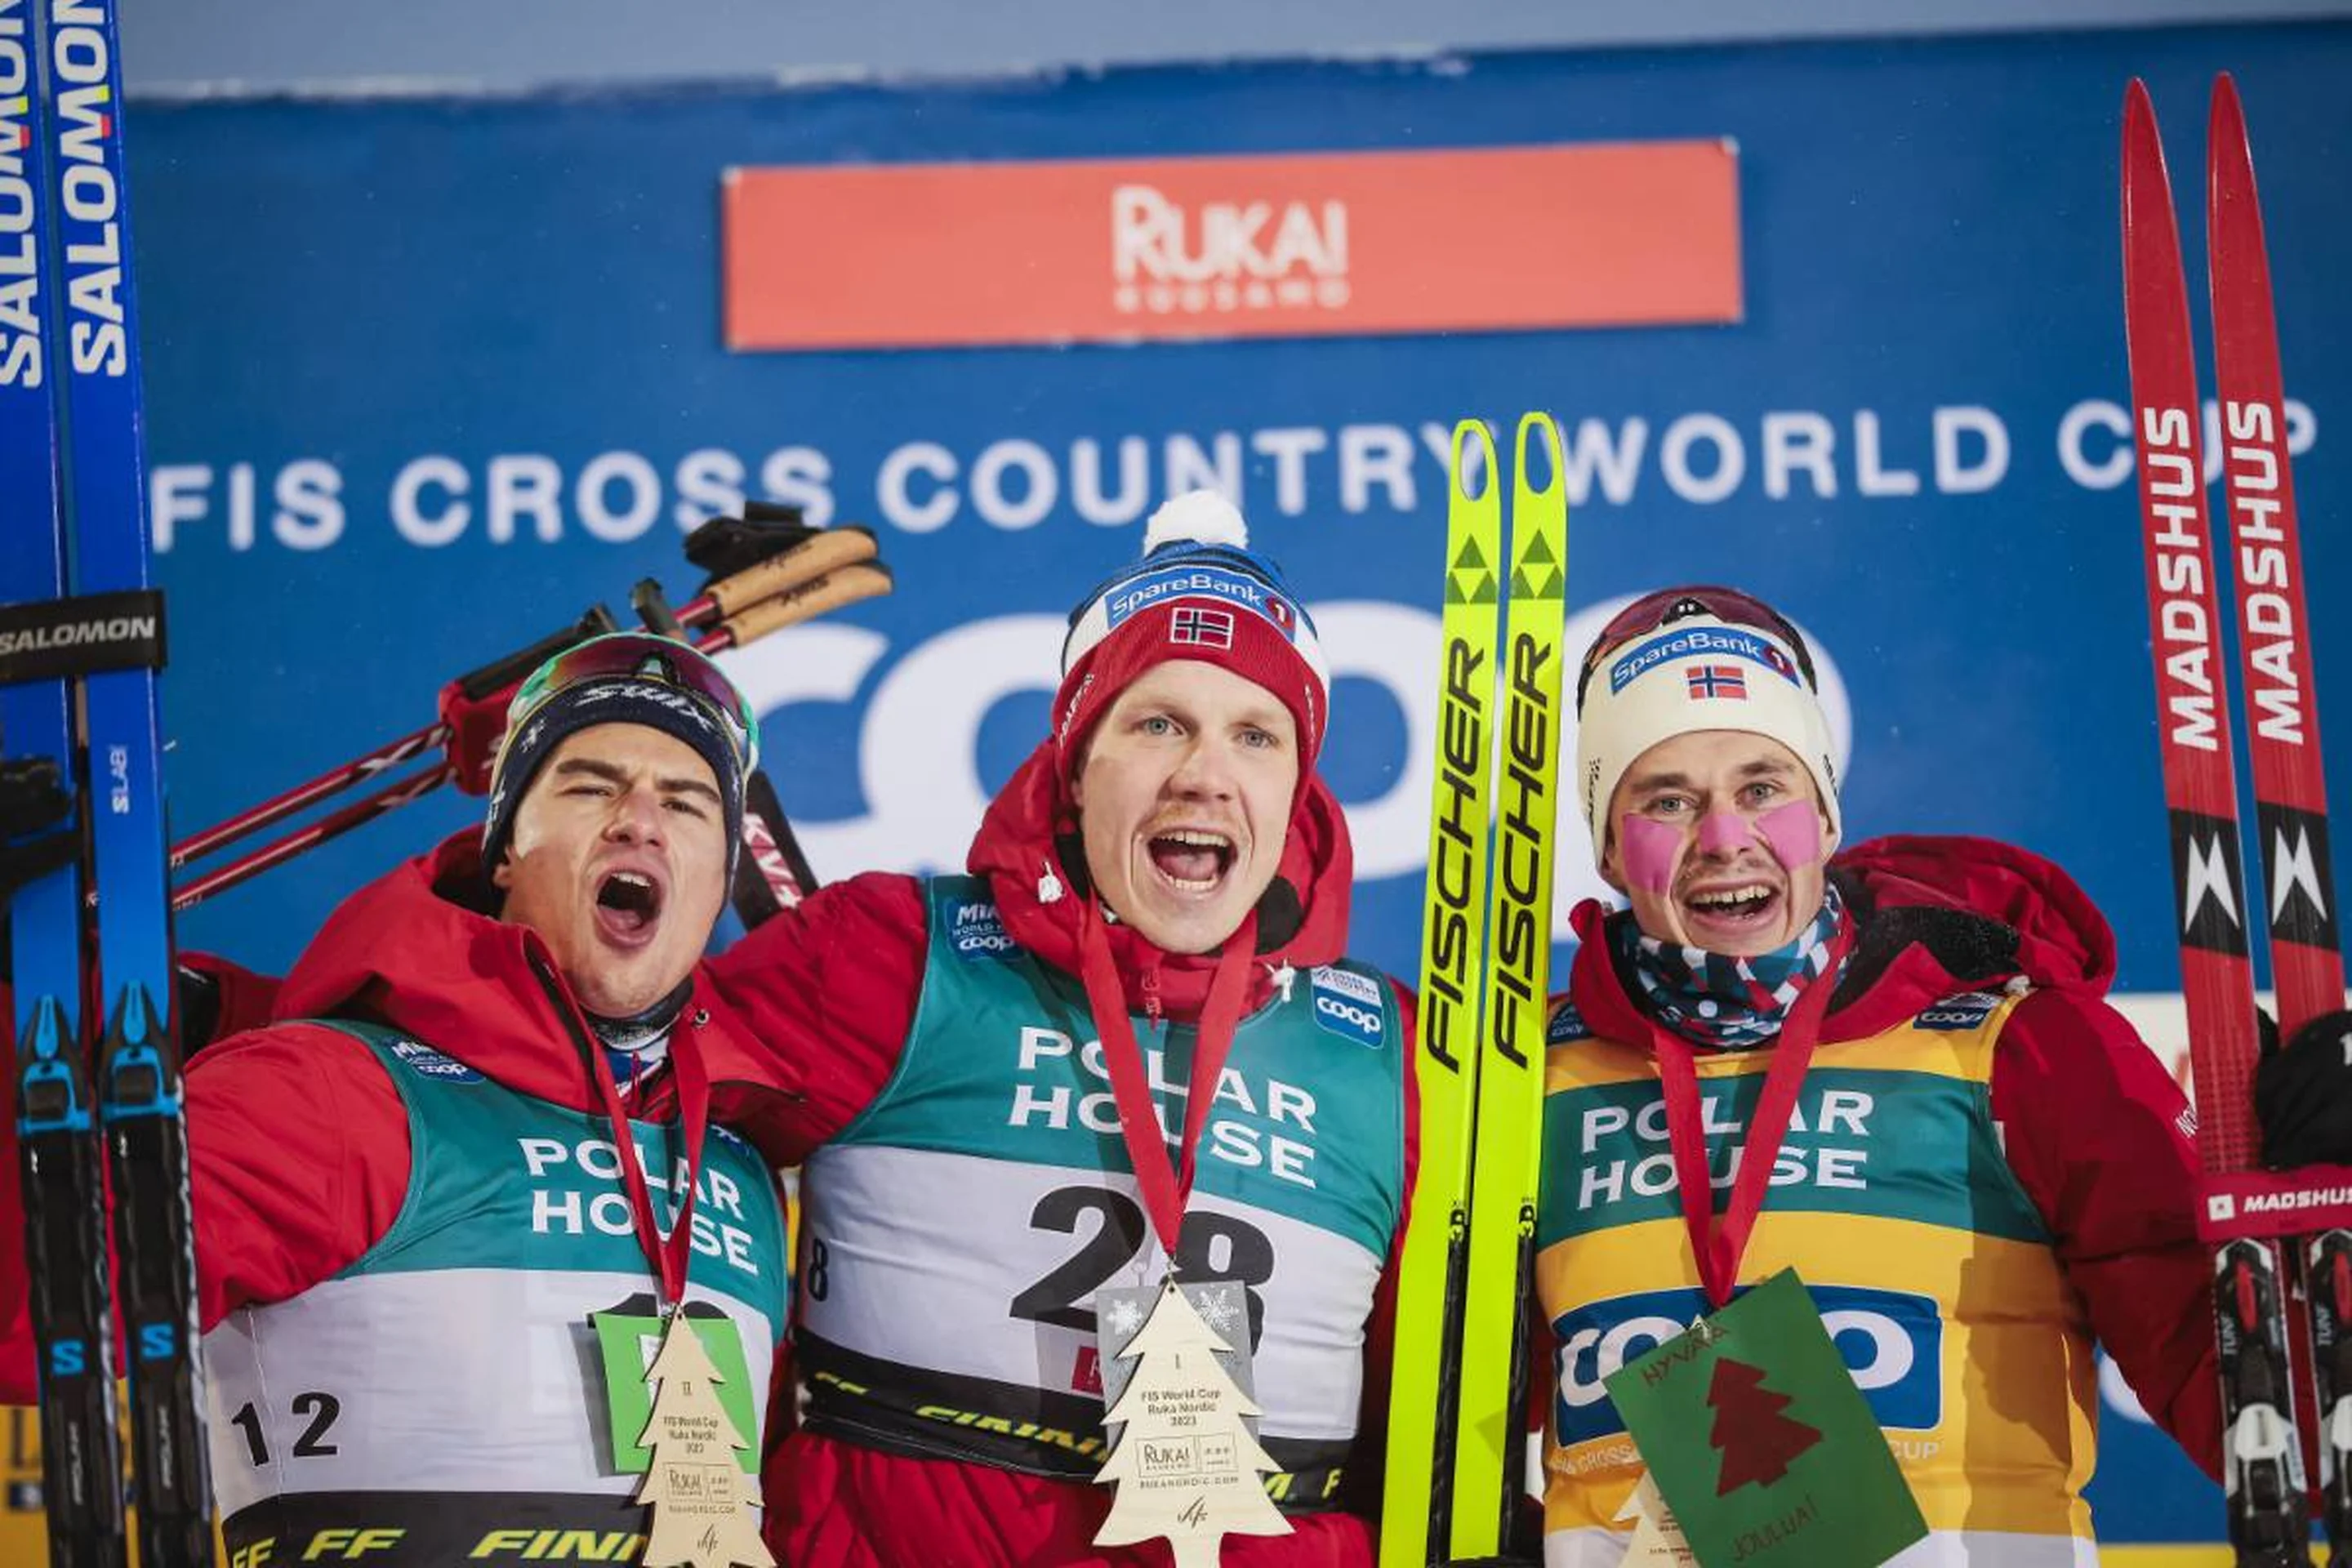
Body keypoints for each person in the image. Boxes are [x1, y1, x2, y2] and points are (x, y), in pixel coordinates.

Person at [710, 490, 1417, 1566]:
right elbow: (592, 1080)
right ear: (1076, 768)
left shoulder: (1391, 1056)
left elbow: (1447, 1416)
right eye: (1157, 722)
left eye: (1256, 736)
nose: (1205, 774)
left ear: (1297, 793)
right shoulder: (889, 956)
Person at [2, 632, 802, 1564]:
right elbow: (34, 1313)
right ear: (503, 852)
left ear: (717, 880)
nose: (640, 821)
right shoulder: (332, 1094)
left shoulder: (739, 1167)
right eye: (589, 785)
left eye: (687, 801)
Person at [1533, 586, 2228, 1566]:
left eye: (1764, 786)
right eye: (1667, 800)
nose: (1726, 836)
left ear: (1823, 815)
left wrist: (2307, 1226)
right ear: (1608, 847)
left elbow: (2224, 1365)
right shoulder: (1528, 1080)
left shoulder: (2018, 1042)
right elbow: (1438, 1410)